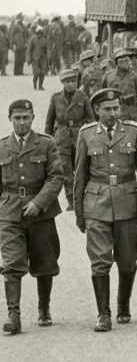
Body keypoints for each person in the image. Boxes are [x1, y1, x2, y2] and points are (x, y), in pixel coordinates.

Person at [73, 88, 137, 332]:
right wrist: (79, 212)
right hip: (96, 205)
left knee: (128, 260)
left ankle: (123, 303)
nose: (112, 113)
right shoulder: (87, 134)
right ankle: (103, 313)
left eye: (116, 108)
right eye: (107, 109)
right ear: (97, 110)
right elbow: (80, 174)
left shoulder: (133, 131)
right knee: (99, 261)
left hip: (127, 203)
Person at [0, 99, 65, 335]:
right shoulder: (2, 146)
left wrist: (39, 203)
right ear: (10, 119)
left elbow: (56, 177)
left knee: (45, 262)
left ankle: (44, 308)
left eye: (26, 118)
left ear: (33, 118)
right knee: (11, 264)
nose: (22, 123)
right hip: (10, 213)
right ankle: (13, 315)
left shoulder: (46, 143)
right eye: (17, 118)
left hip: (41, 213)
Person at [45, 69, 94, 211]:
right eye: (67, 82)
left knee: (81, 168)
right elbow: (49, 122)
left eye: (73, 81)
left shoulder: (83, 98)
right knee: (65, 170)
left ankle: (82, 197)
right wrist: (48, 142)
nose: (70, 84)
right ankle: (71, 200)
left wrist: (93, 140)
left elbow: (91, 120)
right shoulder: (56, 98)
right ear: (62, 83)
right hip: (62, 137)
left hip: (79, 136)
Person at [101, 49, 137, 122]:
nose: (126, 63)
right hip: (116, 112)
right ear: (117, 63)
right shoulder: (109, 76)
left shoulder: (133, 75)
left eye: (127, 60)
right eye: (123, 61)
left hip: (132, 112)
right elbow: (103, 93)